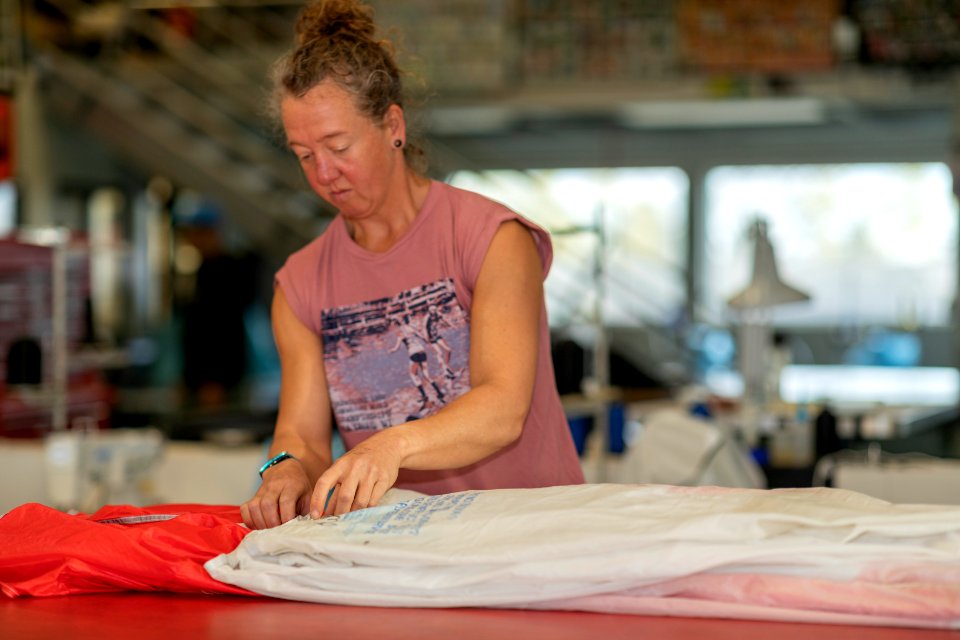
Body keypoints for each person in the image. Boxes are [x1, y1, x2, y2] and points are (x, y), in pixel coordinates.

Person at [240, 0, 584, 530]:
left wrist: (390, 446)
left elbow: (502, 407)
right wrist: (283, 471)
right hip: (404, 546)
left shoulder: (490, 237)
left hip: (534, 534)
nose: (324, 173)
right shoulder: (301, 284)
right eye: (305, 155)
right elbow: (303, 438)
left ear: (392, 125)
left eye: (338, 146)